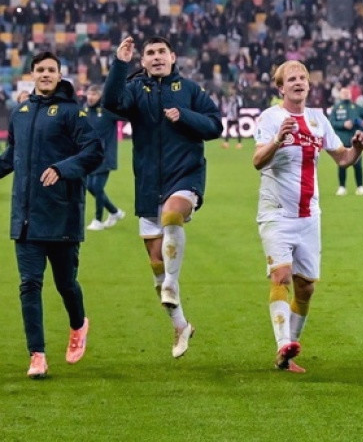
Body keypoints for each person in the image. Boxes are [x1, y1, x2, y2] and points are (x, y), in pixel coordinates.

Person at [102, 36, 224, 358]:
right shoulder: (134, 90)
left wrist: (184, 115)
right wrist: (119, 64)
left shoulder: (190, 90)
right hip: (148, 184)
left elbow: (215, 126)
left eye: (161, 52)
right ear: (143, 61)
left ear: (173, 56)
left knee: (172, 215)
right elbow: (110, 103)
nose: (156, 57)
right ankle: (181, 325)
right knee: (156, 265)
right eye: (150, 53)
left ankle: (172, 281)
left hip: (185, 176)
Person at [252, 61, 363, 373]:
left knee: (306, 288)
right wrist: (278, 139)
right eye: (291, 79)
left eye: (302, 77)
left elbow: (343, 158)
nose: (299, 82)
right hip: (276, 213)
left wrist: (357, 150)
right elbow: (257, 161)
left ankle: (286, 355)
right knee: (281, 276)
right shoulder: (270, 118)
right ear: (281, 88)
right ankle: (282, 343)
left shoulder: (318, 119)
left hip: (309, 217)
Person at [0, 51, 102, 377]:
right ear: (31, 74)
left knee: (65, 283)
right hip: (25, 217)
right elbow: (12, 157)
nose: (45, 74)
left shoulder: (72, 112)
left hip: (61, 214)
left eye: (51, 70)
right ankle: (37, 355)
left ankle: (78, 324)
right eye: (40, 69)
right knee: (29, 285)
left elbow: (94, 151)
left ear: (59, 75)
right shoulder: (20, 113)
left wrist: (62, 168)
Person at [83, 83, 127, 231]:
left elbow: (126, 115)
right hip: (90, 155)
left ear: (100, 96)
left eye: (94, 94)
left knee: (97, 187)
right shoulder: (85, 110)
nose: (90, 97)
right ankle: (115, 212)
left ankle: (98, 220)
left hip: (105, 155)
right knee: (90, 186)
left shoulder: (107, 110)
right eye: (89, 94)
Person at [328, 87, 363, 196]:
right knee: (342, 164)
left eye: (347, 92)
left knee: (358, 164)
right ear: (340, 95)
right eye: (344, 92)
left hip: (356, 141)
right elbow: (331, 122)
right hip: (341, 141)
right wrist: (343, 124)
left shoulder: (356, 107)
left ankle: (360, 187)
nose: (346, 94)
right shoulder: (336, 108)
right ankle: (342, 187)